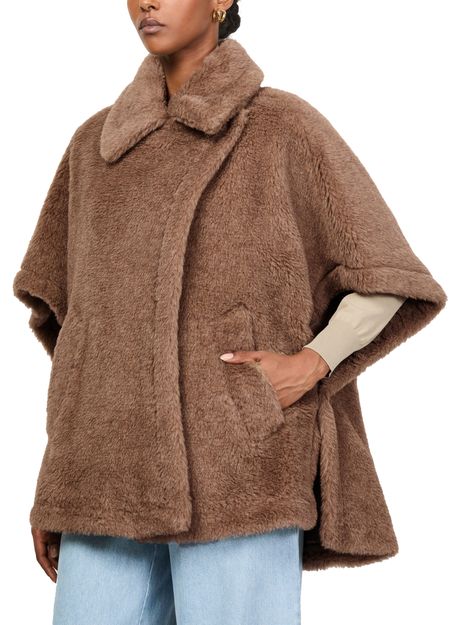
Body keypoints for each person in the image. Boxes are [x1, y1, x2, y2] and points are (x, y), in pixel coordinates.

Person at [12, 1, 447, 624]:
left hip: (238, 464)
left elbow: (387, 276)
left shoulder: (283, 127)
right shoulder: (93, 147)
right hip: (104, 477)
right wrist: (57, 485)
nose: (146, 2)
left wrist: (313, 362)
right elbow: (72, 335)